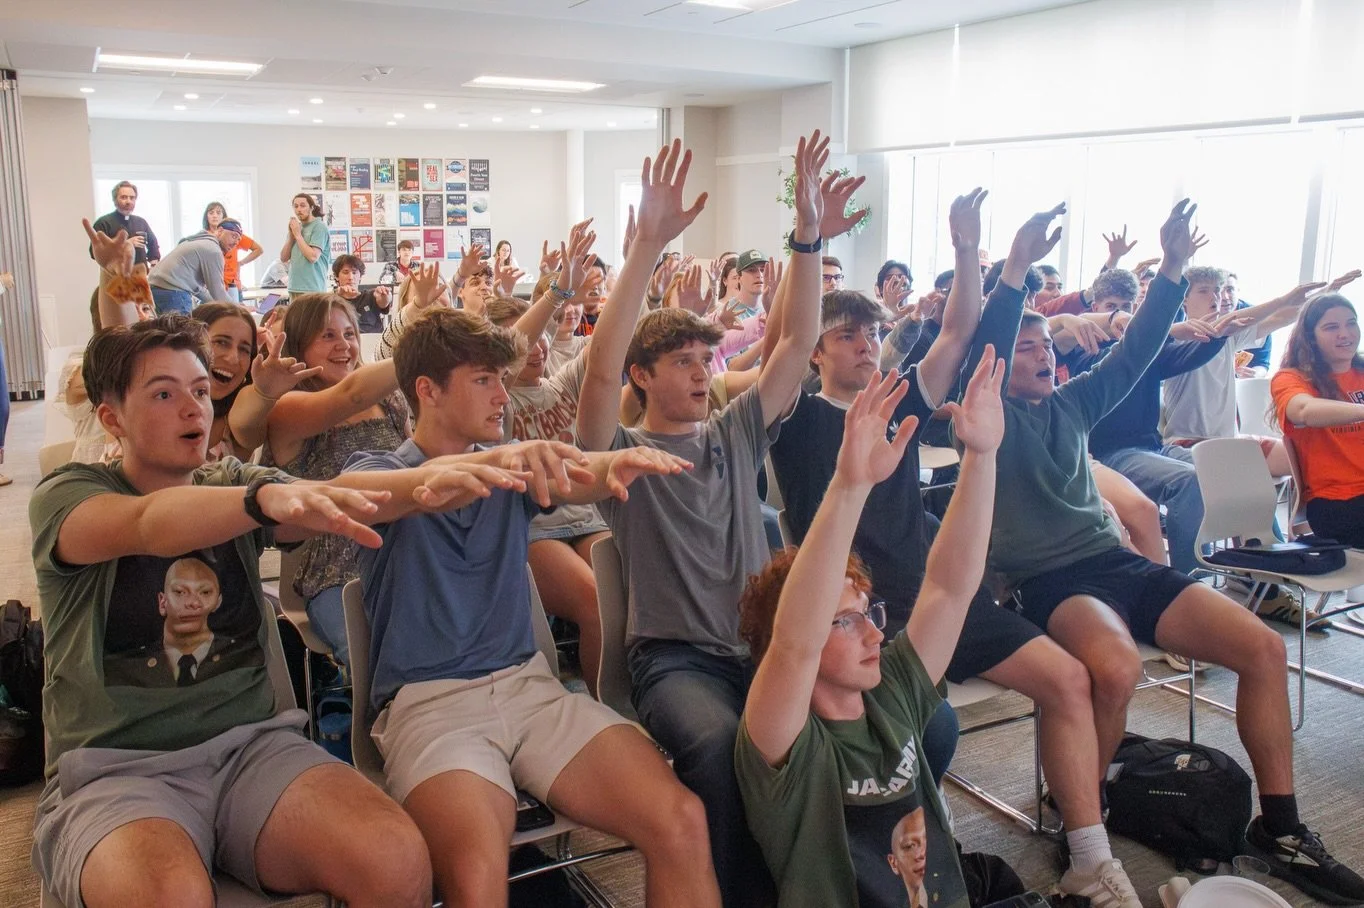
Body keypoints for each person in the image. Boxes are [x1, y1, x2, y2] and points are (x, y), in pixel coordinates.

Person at [28, 314, 534, 908]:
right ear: (112, 418)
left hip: (253, 750)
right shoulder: (70, 494)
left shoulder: (231, 477)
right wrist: (262, 499)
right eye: (164, 394)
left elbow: (345, 495)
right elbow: (147, 523)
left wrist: (462, 471)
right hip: (117, 772)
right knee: (170, 894)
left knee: (394, 856)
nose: (193, 409)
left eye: (199, 391)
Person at [966, 198, 1364, 907]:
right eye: (1026, 349)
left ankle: (1280, 830)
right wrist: (1016, 269)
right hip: (1046, 579)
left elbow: (1137, 351)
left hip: (1114, 563)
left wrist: (1174, 268)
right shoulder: (985, 418)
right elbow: (986, 345)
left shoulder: (1072, 404)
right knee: (1116, 666)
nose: (1043, 355)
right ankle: (1082, 814)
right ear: (998, 363)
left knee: (1261, 648)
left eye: (1047, 345)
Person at [772, 195, 1131, 897]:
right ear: (816, 349)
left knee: (1068, 679)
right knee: (930, 728)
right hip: (862, 616)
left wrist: (971, 251)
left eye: (871, 333)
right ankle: (909, 834)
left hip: (937, 597)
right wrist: (808, 240)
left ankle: (1090, 857)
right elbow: (784, 338)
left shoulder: (896, 399)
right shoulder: (794, 415)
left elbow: (960, 333)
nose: (864, 344)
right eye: (845, 335)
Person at [344, 307, 721, 907]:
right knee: (477, 876)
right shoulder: (377, 470)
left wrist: (614, 465)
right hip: (431, 708)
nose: (502, 395)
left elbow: (579, 473)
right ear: (427, 391)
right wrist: (493, 463)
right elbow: (388, 494)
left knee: (681, 819)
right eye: (483, 380)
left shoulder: (516, 464)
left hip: (531, 690)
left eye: (502, 378)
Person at [576, 131, 867, 907]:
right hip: (676, 663)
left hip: (761, 648)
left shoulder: (734, 432)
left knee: (855, 722)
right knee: (718, 747)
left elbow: (796, 342)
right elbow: (598, 373)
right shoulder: (619, 454)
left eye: (705, 362)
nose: (703, 375)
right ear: (644, 376)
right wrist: (645, 247)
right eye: (683, 363)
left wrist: (807, 234)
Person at [736, 354, 1024, 908]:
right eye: (845, 621)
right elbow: (795, 645)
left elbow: (949, 587)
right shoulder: (785, 746)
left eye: (868, 613)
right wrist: (849, 485)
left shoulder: (891, 691)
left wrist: (982, 456)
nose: (874, 635)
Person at [261, 294, 411, 666]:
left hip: (407, 554)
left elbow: (415, 463)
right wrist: (426, 348)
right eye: (327, 336)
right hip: (339, 573)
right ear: (299, 346)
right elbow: (351, 395)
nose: (343, 345)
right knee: (390, 660)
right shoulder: (287, 408)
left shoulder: (389, 401)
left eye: (349, 334)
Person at [1272, 294, 1364, 546]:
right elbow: (1303, 410)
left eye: (1351, 323)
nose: (1345, 334)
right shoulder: (1291, 378)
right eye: (1331, 327)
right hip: (1336, 503)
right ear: (1310, 337)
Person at [147, 219, 240, 316]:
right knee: (182, 326)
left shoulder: (197, 242)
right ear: (220, 230)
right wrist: (239, 310)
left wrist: (221, 305)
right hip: (173, 292)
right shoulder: (213, 250)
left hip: (155, 289)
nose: (236, 242)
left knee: (167, 326)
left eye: (238, 240)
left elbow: (199, 289)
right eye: (234, 236)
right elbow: (218, 292)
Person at [89, 181, 160, 272]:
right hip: (114, 276)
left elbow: (153, 245)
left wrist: (154, 264)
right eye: (123, 197)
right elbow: (94, 253)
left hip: (140, 275)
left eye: (132, 198)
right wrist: (126, 244)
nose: (128, 202)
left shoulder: (141, 222)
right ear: (114, 200)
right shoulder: (103, 223)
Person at [203, 202, 262, 303]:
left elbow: (258, 249)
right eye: (211, 213)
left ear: (224, 216)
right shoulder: (205, 237)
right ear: (206, 216)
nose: (215, 216)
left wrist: (241, 263)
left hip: (232, 286)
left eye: (218, 212)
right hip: (212, 287)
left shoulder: (234, 234)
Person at [282, 193, 330, 295]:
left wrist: (298, 235)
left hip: (313, 288)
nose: (299, 209)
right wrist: (291, 237)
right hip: (294, 287)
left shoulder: (319, 227)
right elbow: (284, 258)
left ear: (311, 208)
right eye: (296, 206)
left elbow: (313, 257)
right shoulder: (296, 228)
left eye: (303, 206)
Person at [332, 254, 392, 333]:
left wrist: (386, 297)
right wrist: (338, 296)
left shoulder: (370, 296)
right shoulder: (330, 300)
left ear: (360, 276)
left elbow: (383, 303)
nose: (350, 277)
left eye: (354, 273)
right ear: (336, 276)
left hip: (372, 339)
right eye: (345, 273)